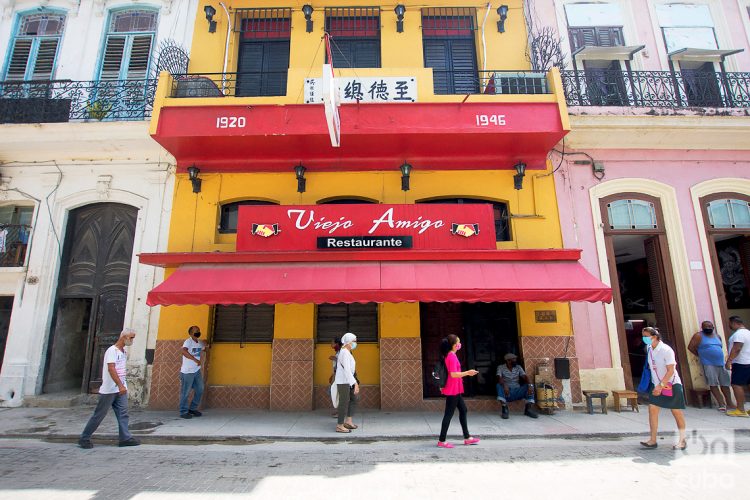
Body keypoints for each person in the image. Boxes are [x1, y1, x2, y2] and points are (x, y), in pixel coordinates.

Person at [78, 328, 140, 449]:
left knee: (123, 414)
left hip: (120, 390)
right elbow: (111, 368)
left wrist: (123, 386)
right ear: (124, 337)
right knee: (99, 415)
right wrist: (120, 385)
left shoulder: (123, 352)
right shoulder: (112, 351)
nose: (132, 340)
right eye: (131, 338)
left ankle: (125, 438)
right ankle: (84, 438)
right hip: (109, 390)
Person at [639, 327, 687, 450]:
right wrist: (656, 385)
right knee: (653, 410)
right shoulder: (650, 349)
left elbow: (671, 370)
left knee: (676, 412)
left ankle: (682, 440)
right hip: (656, 384)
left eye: (646, 336)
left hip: (671, 384)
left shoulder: (666, 350)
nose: (644, 338)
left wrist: (661, 385)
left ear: (654, 337)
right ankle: (653, 439)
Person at [437, 334, 480, 449]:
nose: (459, 344)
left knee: (463, 410)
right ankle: (442, 440)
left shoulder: (450, 355)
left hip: (455, 388)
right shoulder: (451, 356)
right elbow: (453, 374)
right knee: (448, 414)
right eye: (458, 342)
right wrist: (468, 372)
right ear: (454, 345)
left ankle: (467, 437)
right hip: (453, 389)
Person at [687, 320, 733, 411]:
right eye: (705, 327)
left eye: (709, 326)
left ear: (713, 327)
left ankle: (730, 403)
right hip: (708, 364)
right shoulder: (698, 336)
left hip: (721, 363)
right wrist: (701, 355)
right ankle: (721, 404)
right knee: (713, 384)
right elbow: (690, 347)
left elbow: (720, 347)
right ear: (702, 328)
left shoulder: (717, 336)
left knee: (725, 384)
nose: (707, 328)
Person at [496, 353, 538, 419]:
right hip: (507, 392)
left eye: (515, 359)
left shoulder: (518, 367)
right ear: (508, 361)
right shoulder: (501, 367)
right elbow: (499, 377)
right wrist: (504, 385)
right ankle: (505, 410)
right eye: (513, 359)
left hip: (517, 391)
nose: (515, 360)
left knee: (530, 386)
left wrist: (530, 385)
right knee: (498, 385)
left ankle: (528, 409)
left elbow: (525, 377)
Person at [179, 325, 208, 419]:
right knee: (185, 392)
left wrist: (206, 344)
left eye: (199, 330)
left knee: (200, 389)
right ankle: (183, 411)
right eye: (196, 331)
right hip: (187, 372)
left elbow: (205, 348)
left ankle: (192, 408)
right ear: (191, 333)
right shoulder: (188, 341)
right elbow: (183, 351)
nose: (198, 332)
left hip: (196, 371)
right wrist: (195, 360)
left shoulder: (198, 342)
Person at [334, 332, 359, 433]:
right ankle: (340, 425)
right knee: (343, 402)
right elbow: (347, 370)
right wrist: (355, 383)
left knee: (354, 398)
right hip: (343, 381)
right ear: (348, 342)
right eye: (354, 341)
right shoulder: (344, 352)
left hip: (348, 380)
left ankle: (348, 421)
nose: (355, 343)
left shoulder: (347, 352)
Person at [725, 316, 750, 417]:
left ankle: (740, 409)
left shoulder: (739, 334)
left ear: (734, 323)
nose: (729, 325)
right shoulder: (748, 332)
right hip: (748, 362)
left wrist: (729, 360)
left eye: (730, 323)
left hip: (741, 363)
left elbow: (737, 348)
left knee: (736, 384)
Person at [328, 337, 342, 418]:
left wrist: (335, 358)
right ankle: (337, 410)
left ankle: (339, 412)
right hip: (336, 374)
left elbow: (343, 362)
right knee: (334, 392)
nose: (331, 345)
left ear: (337, 343)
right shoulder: (338, 352)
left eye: (332, 343)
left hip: (339, 375)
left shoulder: (342, 352)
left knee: (337, 393)